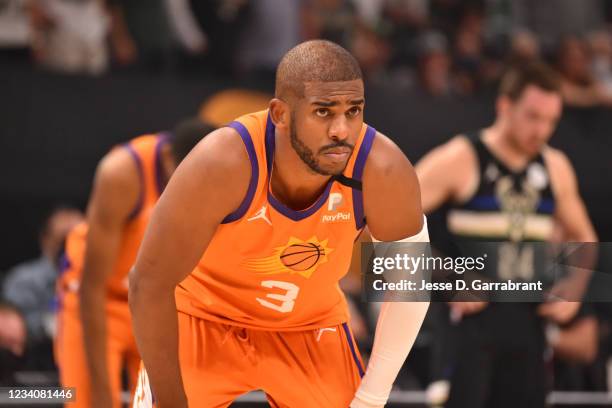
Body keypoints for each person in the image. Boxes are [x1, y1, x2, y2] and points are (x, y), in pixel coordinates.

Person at [130, 39, 429, 408]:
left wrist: (370, 399)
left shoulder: (382, 169)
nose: (341, 130)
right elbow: (149, 282)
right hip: (203, 318)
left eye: (354, 111)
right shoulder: (223, 161)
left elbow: (411, 287)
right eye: (323, 112)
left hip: (309, 327)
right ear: (279, 114)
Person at [416, 62, 597, 408]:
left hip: (528, 326)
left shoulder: (555, 167)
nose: (541, 130)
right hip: (468, 327)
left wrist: (574, 289)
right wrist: (444, 278)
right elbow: (385, 221)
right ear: (504, 106)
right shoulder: (461, 157)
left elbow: (584, 240)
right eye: (532, 117)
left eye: (550, 121)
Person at [54, 118, 213, 408]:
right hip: (97, 301)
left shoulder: (217, 177)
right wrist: (101, 393)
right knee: (91, 401)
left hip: (153, 301)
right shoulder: (121, 173)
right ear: (168, 159)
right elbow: (91, 287)